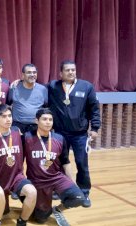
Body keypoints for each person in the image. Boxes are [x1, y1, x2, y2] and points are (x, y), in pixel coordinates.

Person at [48, 60, 100, 208]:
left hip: (80, 134)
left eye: (73, 70)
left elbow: (94, 108)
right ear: (61, 73)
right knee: (58, 163)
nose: (71, 72)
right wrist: (19, 81)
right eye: (67, 70)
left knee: (82, 164)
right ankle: (61, 189)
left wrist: (95, 128)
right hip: (59, 133)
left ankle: (84, 192)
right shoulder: (53, 86)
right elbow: (34, 86)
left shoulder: (86, 86)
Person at [23, 108, 85, 226]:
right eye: (44, 119)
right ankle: (40, 208)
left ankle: (57, 209)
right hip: (37, 181)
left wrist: (72, 182)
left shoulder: (59, 138)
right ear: (37, 121)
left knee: (78, 197)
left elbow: (66, 162)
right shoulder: (27, 138)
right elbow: (19, 160)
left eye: (50, 120)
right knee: (40, 219)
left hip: (56, 178)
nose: (48, 122)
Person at [0, 104, 37, 226]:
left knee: (32, 192)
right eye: (4, 116)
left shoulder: (17, 131)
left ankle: (22, 221)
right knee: (1, 213)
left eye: (10, 116)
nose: (8, 119)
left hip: (17, 177)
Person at [7, 63, 48, 134]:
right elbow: (8, 104)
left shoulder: (43, 89)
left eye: (34, 72)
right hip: (17, 126)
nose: (32, 75)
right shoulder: (14, 87)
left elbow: (46, 107)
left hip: (36, 126)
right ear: (23, 75)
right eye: (29, 72)